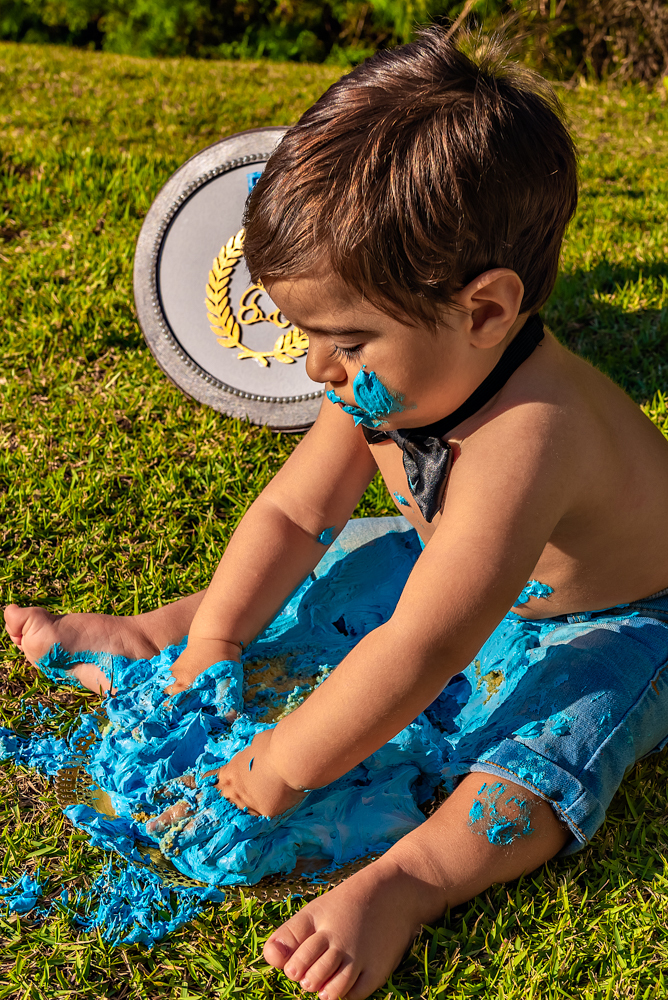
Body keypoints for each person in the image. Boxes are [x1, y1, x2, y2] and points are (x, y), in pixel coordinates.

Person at [6, 27, 668, 1000]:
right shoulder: (380, 381)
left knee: (542, 758)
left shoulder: (532, 439)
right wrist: (219, 636)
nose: (317, 368)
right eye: (305, 333)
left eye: (344, 338)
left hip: (612, 623)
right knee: (335, 569)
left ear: (484, 309)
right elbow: (290, 514)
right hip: (446, 569)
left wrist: (279, 764)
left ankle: (408, 880)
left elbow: (421, 649)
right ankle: (167, 637)